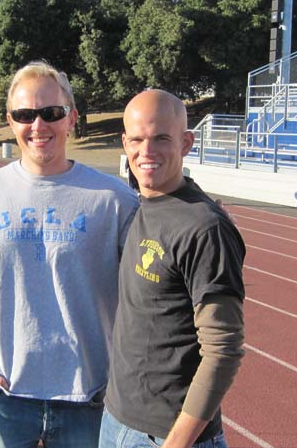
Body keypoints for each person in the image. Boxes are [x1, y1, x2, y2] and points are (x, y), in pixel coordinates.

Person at [0, 60, 138, 447]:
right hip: (1, 397)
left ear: (71, 118)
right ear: (11, 120)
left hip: (89, 397)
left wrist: (198, 209)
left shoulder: (115, 200)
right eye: (25, 114)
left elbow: (154, 276)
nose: (38, 126)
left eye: (51, 113)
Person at [100, 90, 246, 448]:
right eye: (136, 139)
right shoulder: (145, 203)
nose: (146, 151)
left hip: (167, 437)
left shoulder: (203, 226)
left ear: (186, 142)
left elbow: (223, 349)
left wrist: (176, 443)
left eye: (161, 138)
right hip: (116, 421)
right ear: (124, 142)